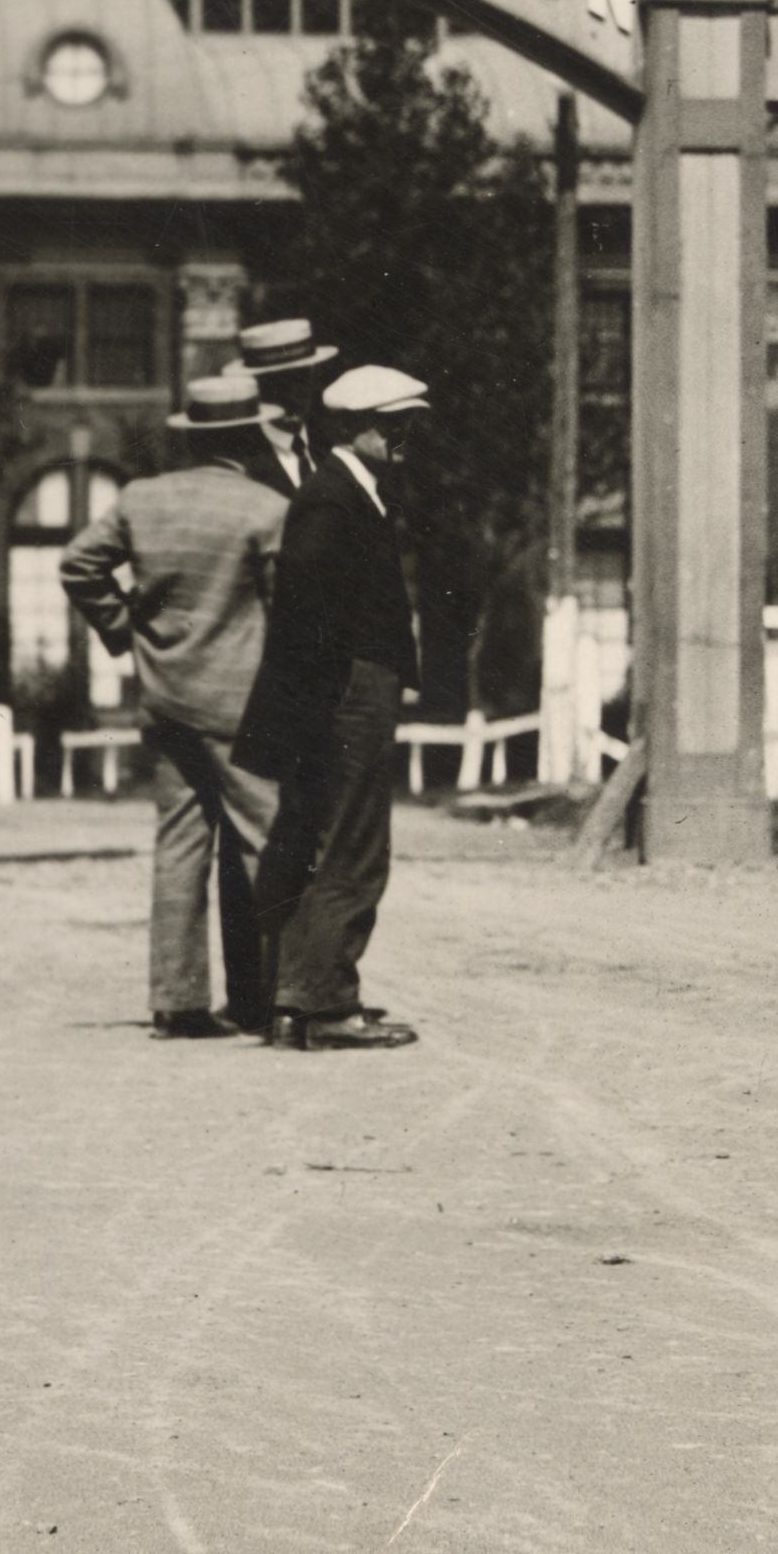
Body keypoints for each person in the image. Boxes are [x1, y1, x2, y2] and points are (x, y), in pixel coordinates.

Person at [59, 372, 292, 1036]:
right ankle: (280, 997)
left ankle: (177, 1002)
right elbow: (285, 610)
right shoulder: (264, 508)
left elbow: (78, 564)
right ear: (247, 437)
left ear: (191, 436)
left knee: (180, 843)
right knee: (264, 844)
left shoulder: (141, 498)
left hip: (165, 700)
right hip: (242, 706)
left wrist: (123, 629)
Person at [240, 360, 434, 1051]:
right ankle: (325, 1005)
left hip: (346, 687)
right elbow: (305, 602)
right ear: (358, 429)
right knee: (353, 844)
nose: (407, 435)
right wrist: (328, 696)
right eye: (394, 425)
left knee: (328, 839)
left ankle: (302, 996)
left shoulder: (355, 490)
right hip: (348, 691)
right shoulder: (333, 497)